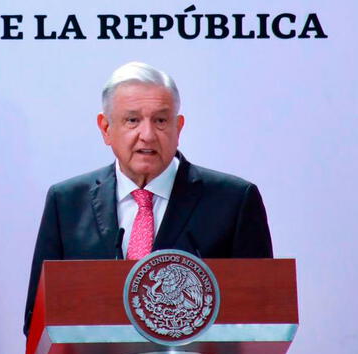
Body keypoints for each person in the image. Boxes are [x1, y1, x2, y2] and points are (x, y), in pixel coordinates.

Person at [23, 62, 273, 336]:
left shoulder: (233, 201)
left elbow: (260, 321)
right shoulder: (67, 203)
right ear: (106, 128)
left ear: (178, 127)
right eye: (132, 120)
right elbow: (39, 324)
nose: (148, 135)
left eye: (161, 121)